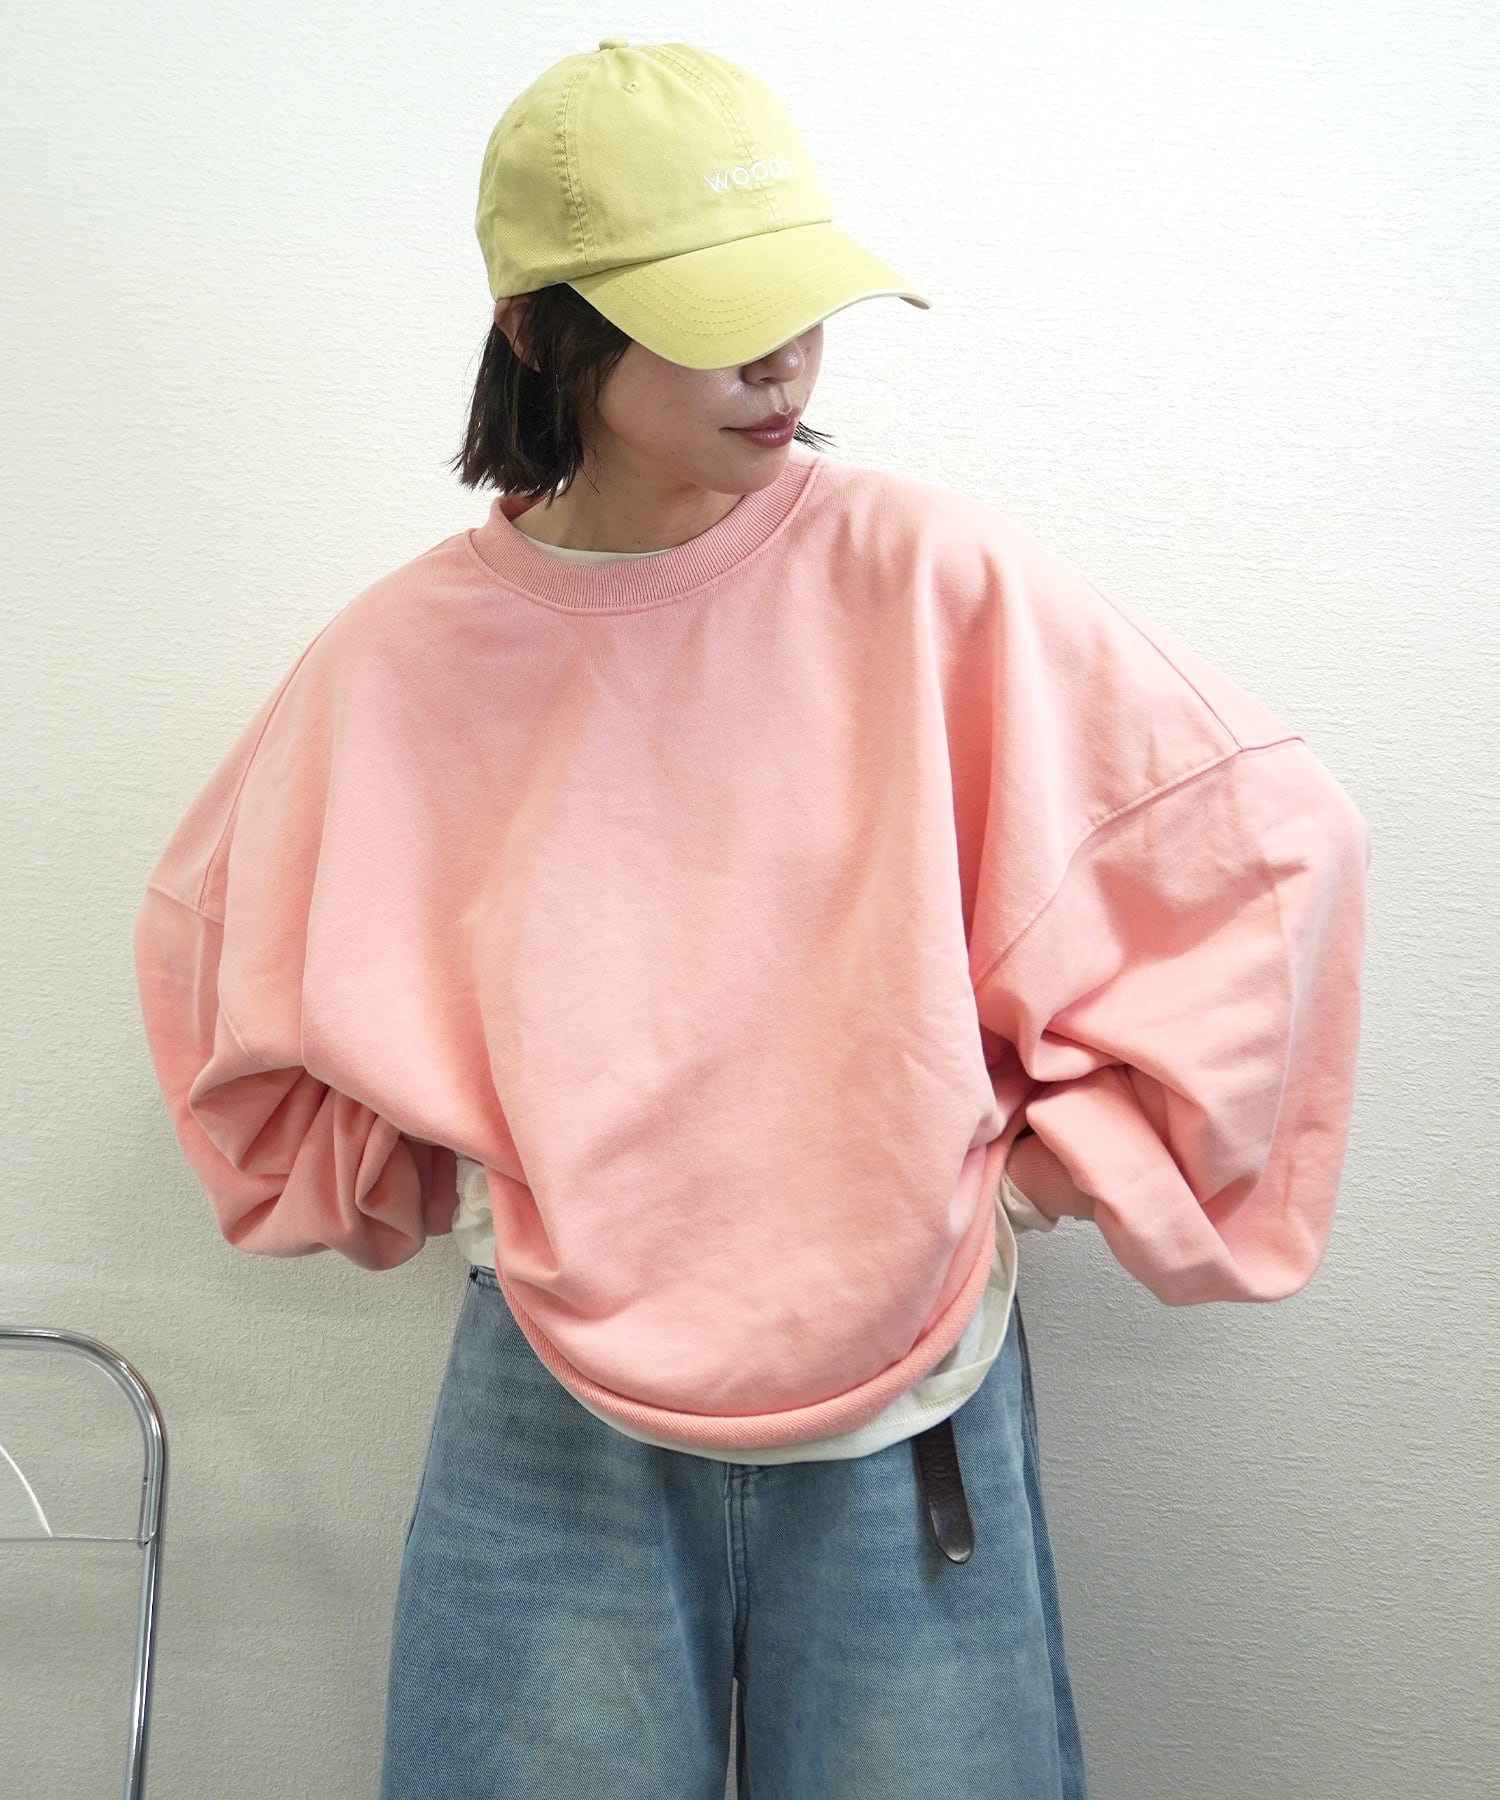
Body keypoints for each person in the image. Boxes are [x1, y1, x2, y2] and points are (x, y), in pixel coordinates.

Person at [131, 37, 1371, 1800]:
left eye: (801, 303)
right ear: (538, 329)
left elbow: (1262, 846)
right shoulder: (405, 656)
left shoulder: (928, 575)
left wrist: (1020, 1175)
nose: (781, 358)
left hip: (909, 1379)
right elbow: (217, 951)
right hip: (549, 1387)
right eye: (714, 317)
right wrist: (462, 1181)